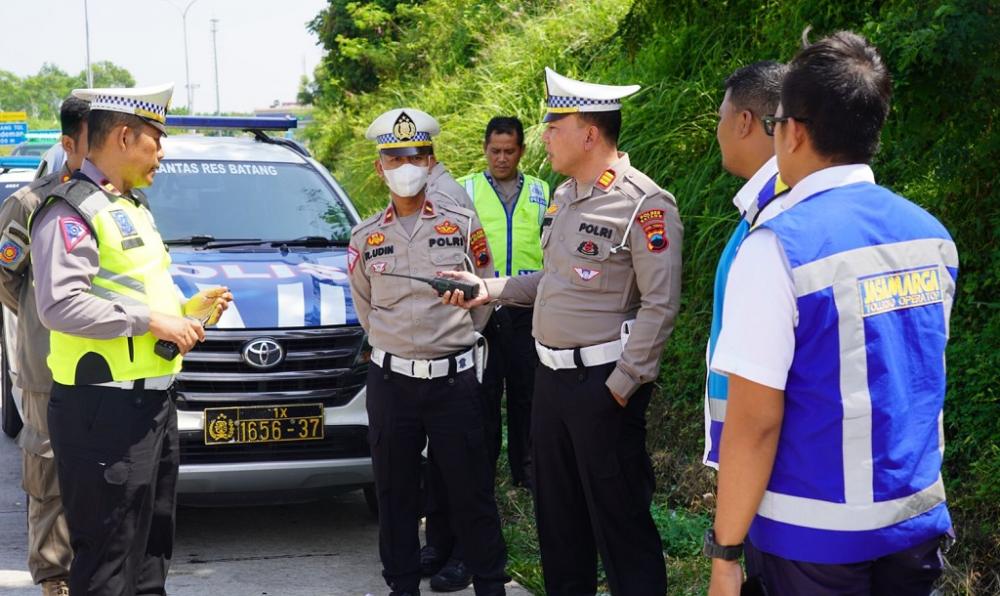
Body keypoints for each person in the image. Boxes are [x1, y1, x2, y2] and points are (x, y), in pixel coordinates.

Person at [705, 31, 957, 596]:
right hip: (912, 526)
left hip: (811, 537)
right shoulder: (931, 236)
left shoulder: (776, 247)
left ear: (790, 130)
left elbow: (755, 422)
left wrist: (725, 552)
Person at [443, 67, 683, 595]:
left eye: (554, 125)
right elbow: (552, 281)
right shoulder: (564, 196)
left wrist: (621, 387)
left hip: (603, 385)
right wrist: (489, 288)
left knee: (620, 528)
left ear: (589, 133)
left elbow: (661, 306)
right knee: (560, 528)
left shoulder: (644, 204)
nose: (544, 135)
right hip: (551, 385)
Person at [28, 83, 232, 596]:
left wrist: (186, 312)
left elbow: (133, 298)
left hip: (150, 404)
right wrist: (151, 322)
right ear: (123, 136)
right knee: (107, 563)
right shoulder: (69, 210)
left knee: (149, 556)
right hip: (103, 411)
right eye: (156, 140)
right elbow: (60, 305)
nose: (162, 153)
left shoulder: (132, 206)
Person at [348, 107, 508, 596]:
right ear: (380, 168)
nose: (406, 165)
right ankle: (401, 586)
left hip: (453, 380)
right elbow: (367, 311)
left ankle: (489, 584)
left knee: (472, 491)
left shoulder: (461, 224)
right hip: (391, 383)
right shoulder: (364, 237)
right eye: (394, 158)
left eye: (415, 154)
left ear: (432, 160)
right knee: (395, 496)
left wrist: (448, 342)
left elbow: (481, 298)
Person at [0, 96, 89, 596]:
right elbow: (5, 277)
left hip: (106, 367)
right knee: (48, 471)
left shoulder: (119, 202)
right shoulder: (31, 204)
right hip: (47, 368)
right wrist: (39, 319)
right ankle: (55, 579)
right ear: (70, 142)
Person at [703, 61, 788, 469]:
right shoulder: (759, 209)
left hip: (761, 462)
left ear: (744, 122)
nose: (716, 131)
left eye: (720, 118)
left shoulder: (777, 218)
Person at [458, 115, 549, 486]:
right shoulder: (467, 190)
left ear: (522, 151)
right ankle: (484, 469)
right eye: (494, 151)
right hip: (484, 309)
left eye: (509, 151)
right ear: (485, 149)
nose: (501, 158)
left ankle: (525, 471)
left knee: (527, 392)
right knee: (485, 392)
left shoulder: (542, 191)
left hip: (527, 308)